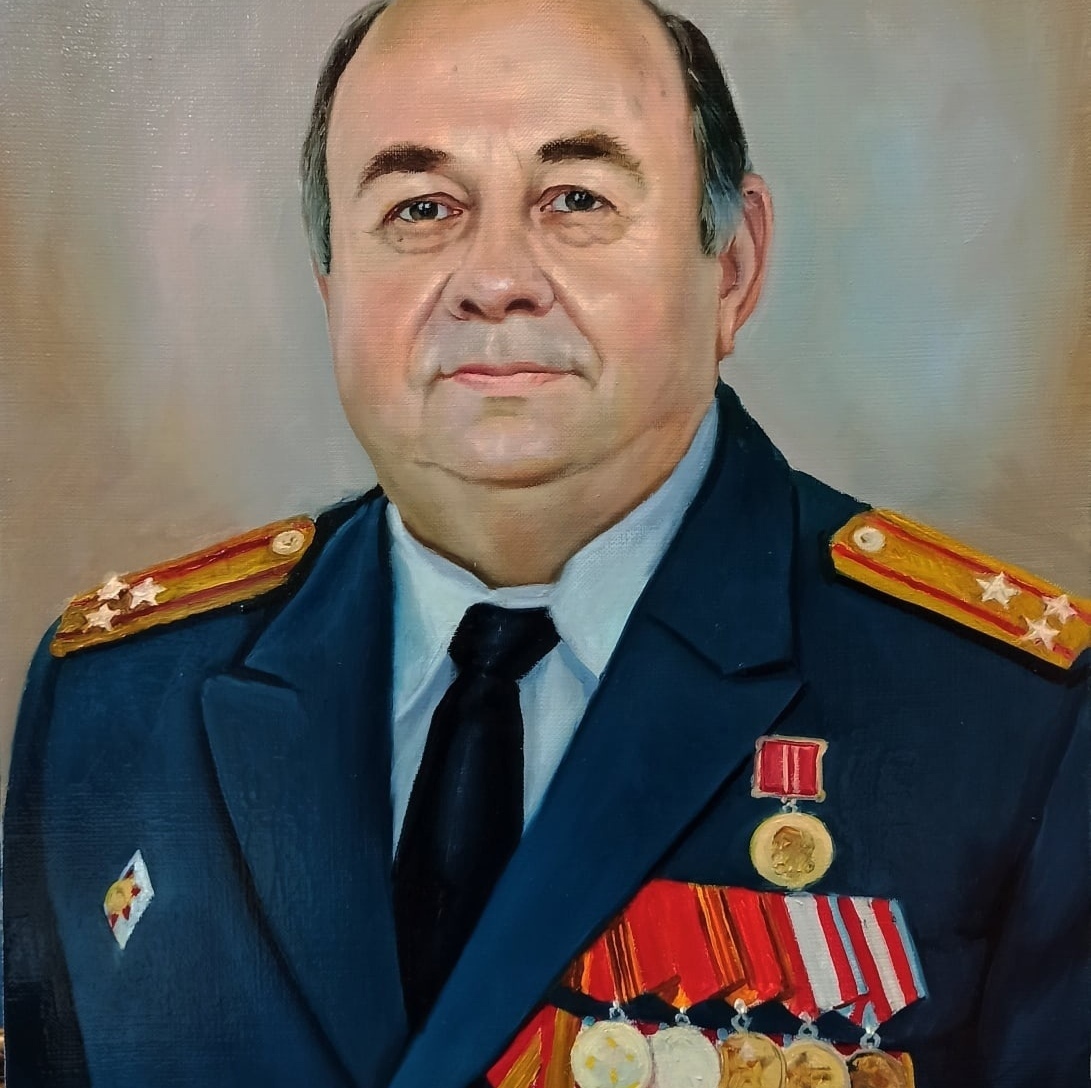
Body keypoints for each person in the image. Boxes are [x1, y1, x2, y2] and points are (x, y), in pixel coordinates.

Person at [4, 0, 1088, 1085]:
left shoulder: (1019, 724)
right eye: (420, 208)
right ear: (332, 284)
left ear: (731, 264)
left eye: (576, 200)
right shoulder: (117, 701)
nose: (494, 279)